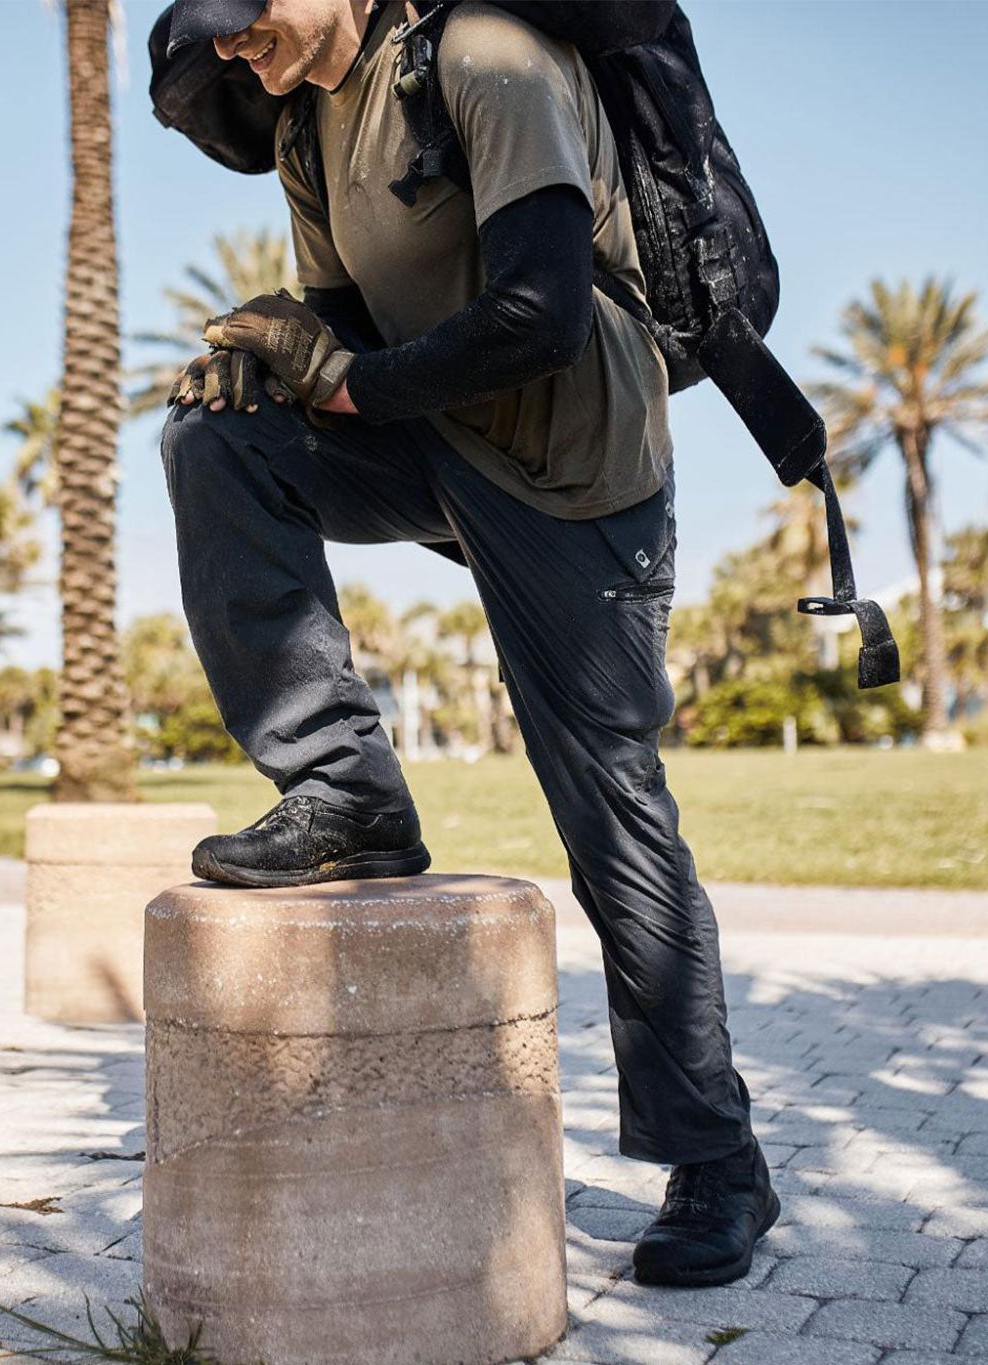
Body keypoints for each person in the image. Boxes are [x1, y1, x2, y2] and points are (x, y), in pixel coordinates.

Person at [157, 0, 779, 1288]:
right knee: (216, 442)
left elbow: (542, 313)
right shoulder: (308, 135)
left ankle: (720, 1164)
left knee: (611, 809)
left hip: (575, 468)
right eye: (210, 31)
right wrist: (278, 361)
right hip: (441, 442)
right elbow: (351, 331)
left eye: (245, 14)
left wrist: (335, 383)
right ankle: (345, 796)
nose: (233, 45)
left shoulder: (486, 59)